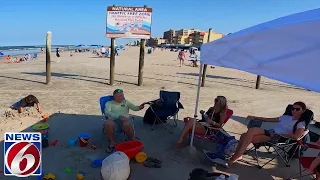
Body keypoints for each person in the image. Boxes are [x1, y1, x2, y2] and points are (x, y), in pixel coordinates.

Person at [228, 101, 309, 167]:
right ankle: (237, 156)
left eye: (297, 109)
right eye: (293, 108)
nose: (294, 110)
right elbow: (268, 120)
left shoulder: (301, 123)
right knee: (248, 133)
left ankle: (236, 156)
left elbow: (296, 137)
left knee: (246, 136)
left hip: (278, 137)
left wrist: (282, 134)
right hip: (271, 132)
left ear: (303, 110)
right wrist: (255, 117)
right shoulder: (286, 117)